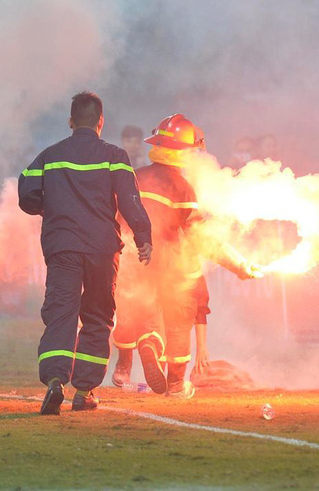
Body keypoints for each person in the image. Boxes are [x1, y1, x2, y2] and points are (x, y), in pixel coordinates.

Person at [18, 91, 153, 415]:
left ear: (70, 121)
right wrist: (143, 235)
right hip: (102, 251)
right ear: (101, 123)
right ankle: (85, 390)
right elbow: (130, 199)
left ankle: (54, 381)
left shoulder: (51, 155)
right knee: (97, 317)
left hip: (63, 247)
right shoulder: (114, 155)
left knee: (61, 313)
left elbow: (25, 191)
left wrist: (46, 207)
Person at [112, 114, 261, 399]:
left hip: (132, 258)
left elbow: (117, 218)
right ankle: (176, 385)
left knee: (144, 313)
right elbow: (201, 238)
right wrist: (239, 265)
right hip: (169, 265)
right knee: (180, 315)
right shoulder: (182, 189)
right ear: (184, 152)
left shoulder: (137, 176)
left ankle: (148, 347)